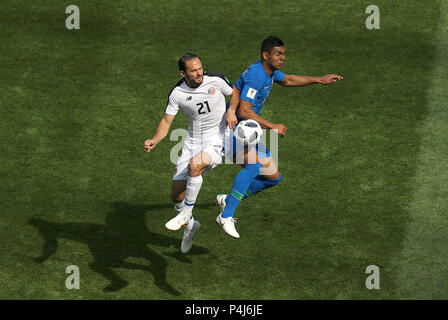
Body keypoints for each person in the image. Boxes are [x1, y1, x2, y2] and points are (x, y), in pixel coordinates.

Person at [216, 35, 343, 238]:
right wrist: (272, 126)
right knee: (254, 166)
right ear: (265, 55)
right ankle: (226, 215)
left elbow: (288, 79)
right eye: (278, 54)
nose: (282, 58)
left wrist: (319, 80)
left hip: (247, 129)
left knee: (273, 178)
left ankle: (228, 200)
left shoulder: (270, 72)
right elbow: (245, 110)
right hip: (234, 129)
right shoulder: (257, 76)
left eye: (284, 54)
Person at [144, 53, 238, 253]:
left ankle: (186, 214)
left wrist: (231, 111)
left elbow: (235, 93)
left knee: (195, 165)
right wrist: (155, 139)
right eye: (193, 70)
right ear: (182, 72)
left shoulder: (216, 80)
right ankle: (190, 226)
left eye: (200, 68)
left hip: (218, 138)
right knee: (177, 195)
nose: (199, 73)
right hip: (192, 141)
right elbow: (167, 120)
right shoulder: (177, 93)